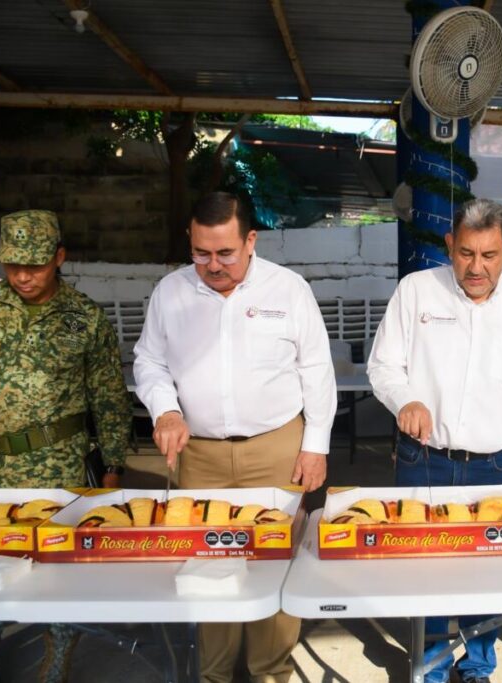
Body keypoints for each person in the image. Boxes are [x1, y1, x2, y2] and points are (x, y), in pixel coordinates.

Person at [134, 192, 336, 683]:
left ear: (250, 240)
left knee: (273, 560)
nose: (212, 266)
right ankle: (215, 673)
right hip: (198, 452)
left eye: (225, 253)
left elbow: (317, 370)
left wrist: (317, 445)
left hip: (276, 448)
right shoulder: (171, 292)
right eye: (201, 253)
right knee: (207, 566)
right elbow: (150, 361)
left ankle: (269, 671)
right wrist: (166, 412)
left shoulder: (287, 289)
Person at [368, 198, 502, 683]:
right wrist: (406, 399)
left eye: (489, 256)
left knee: (487, 573)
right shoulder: (416, 292)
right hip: (424, 458)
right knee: (424, 570)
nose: (477, 268)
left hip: (493, 467)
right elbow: (384, 366)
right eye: (466, 253)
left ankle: (477, 668)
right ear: (450, 245)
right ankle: (429, 668)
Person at [0, 209, 131, 683]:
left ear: (59, 258)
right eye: (13, 265)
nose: (22, 276)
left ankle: (55, 667)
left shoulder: (85, 318)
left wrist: (112, 465)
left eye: (34, 265)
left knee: (60, 572)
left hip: (61, 468)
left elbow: (108, 395)